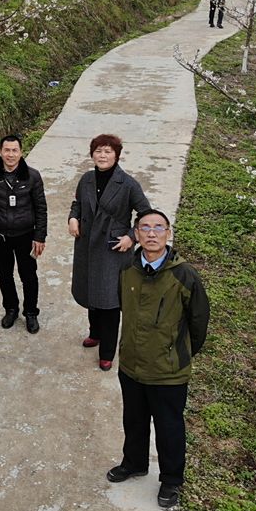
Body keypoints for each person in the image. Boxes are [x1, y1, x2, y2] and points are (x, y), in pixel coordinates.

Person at [106, 209, 209, 510]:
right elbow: (123, 306)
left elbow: (199, 321)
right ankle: (134, 463)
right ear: (136, 234)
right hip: (132, 365)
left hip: (167, 372)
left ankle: (172, 480)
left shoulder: (184, 275)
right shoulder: (128, 268)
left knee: (169, 427)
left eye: (158, 228)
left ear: (168, 233)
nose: (151, 233)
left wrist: (179, 352)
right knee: (134, 420)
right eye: (145, 228)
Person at [69, 134, 151, 371]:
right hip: (86, 246)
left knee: (109, 301)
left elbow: (146, 215)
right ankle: (94, 333)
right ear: (92, 154)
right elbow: (77, 204)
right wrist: (73, 218)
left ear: (116, 155)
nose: (102, 156)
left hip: (112, 249)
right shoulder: (85, 179)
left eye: (107, 151)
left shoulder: (127, 184)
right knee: (90, 293)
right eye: (98, 151)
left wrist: (132, 237)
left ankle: (107, 351)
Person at [0, 134, 48, 333]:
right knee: (4, 275)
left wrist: (40, 236)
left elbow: (41, 208)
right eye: (6, 150)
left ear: (21, 152)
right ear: (0, 152)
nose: (10, 154)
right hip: (0, 235)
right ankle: (11, 309)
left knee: (28, 275)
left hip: (26, 235)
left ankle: (31, 312)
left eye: (14, 150)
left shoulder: (32, 176)